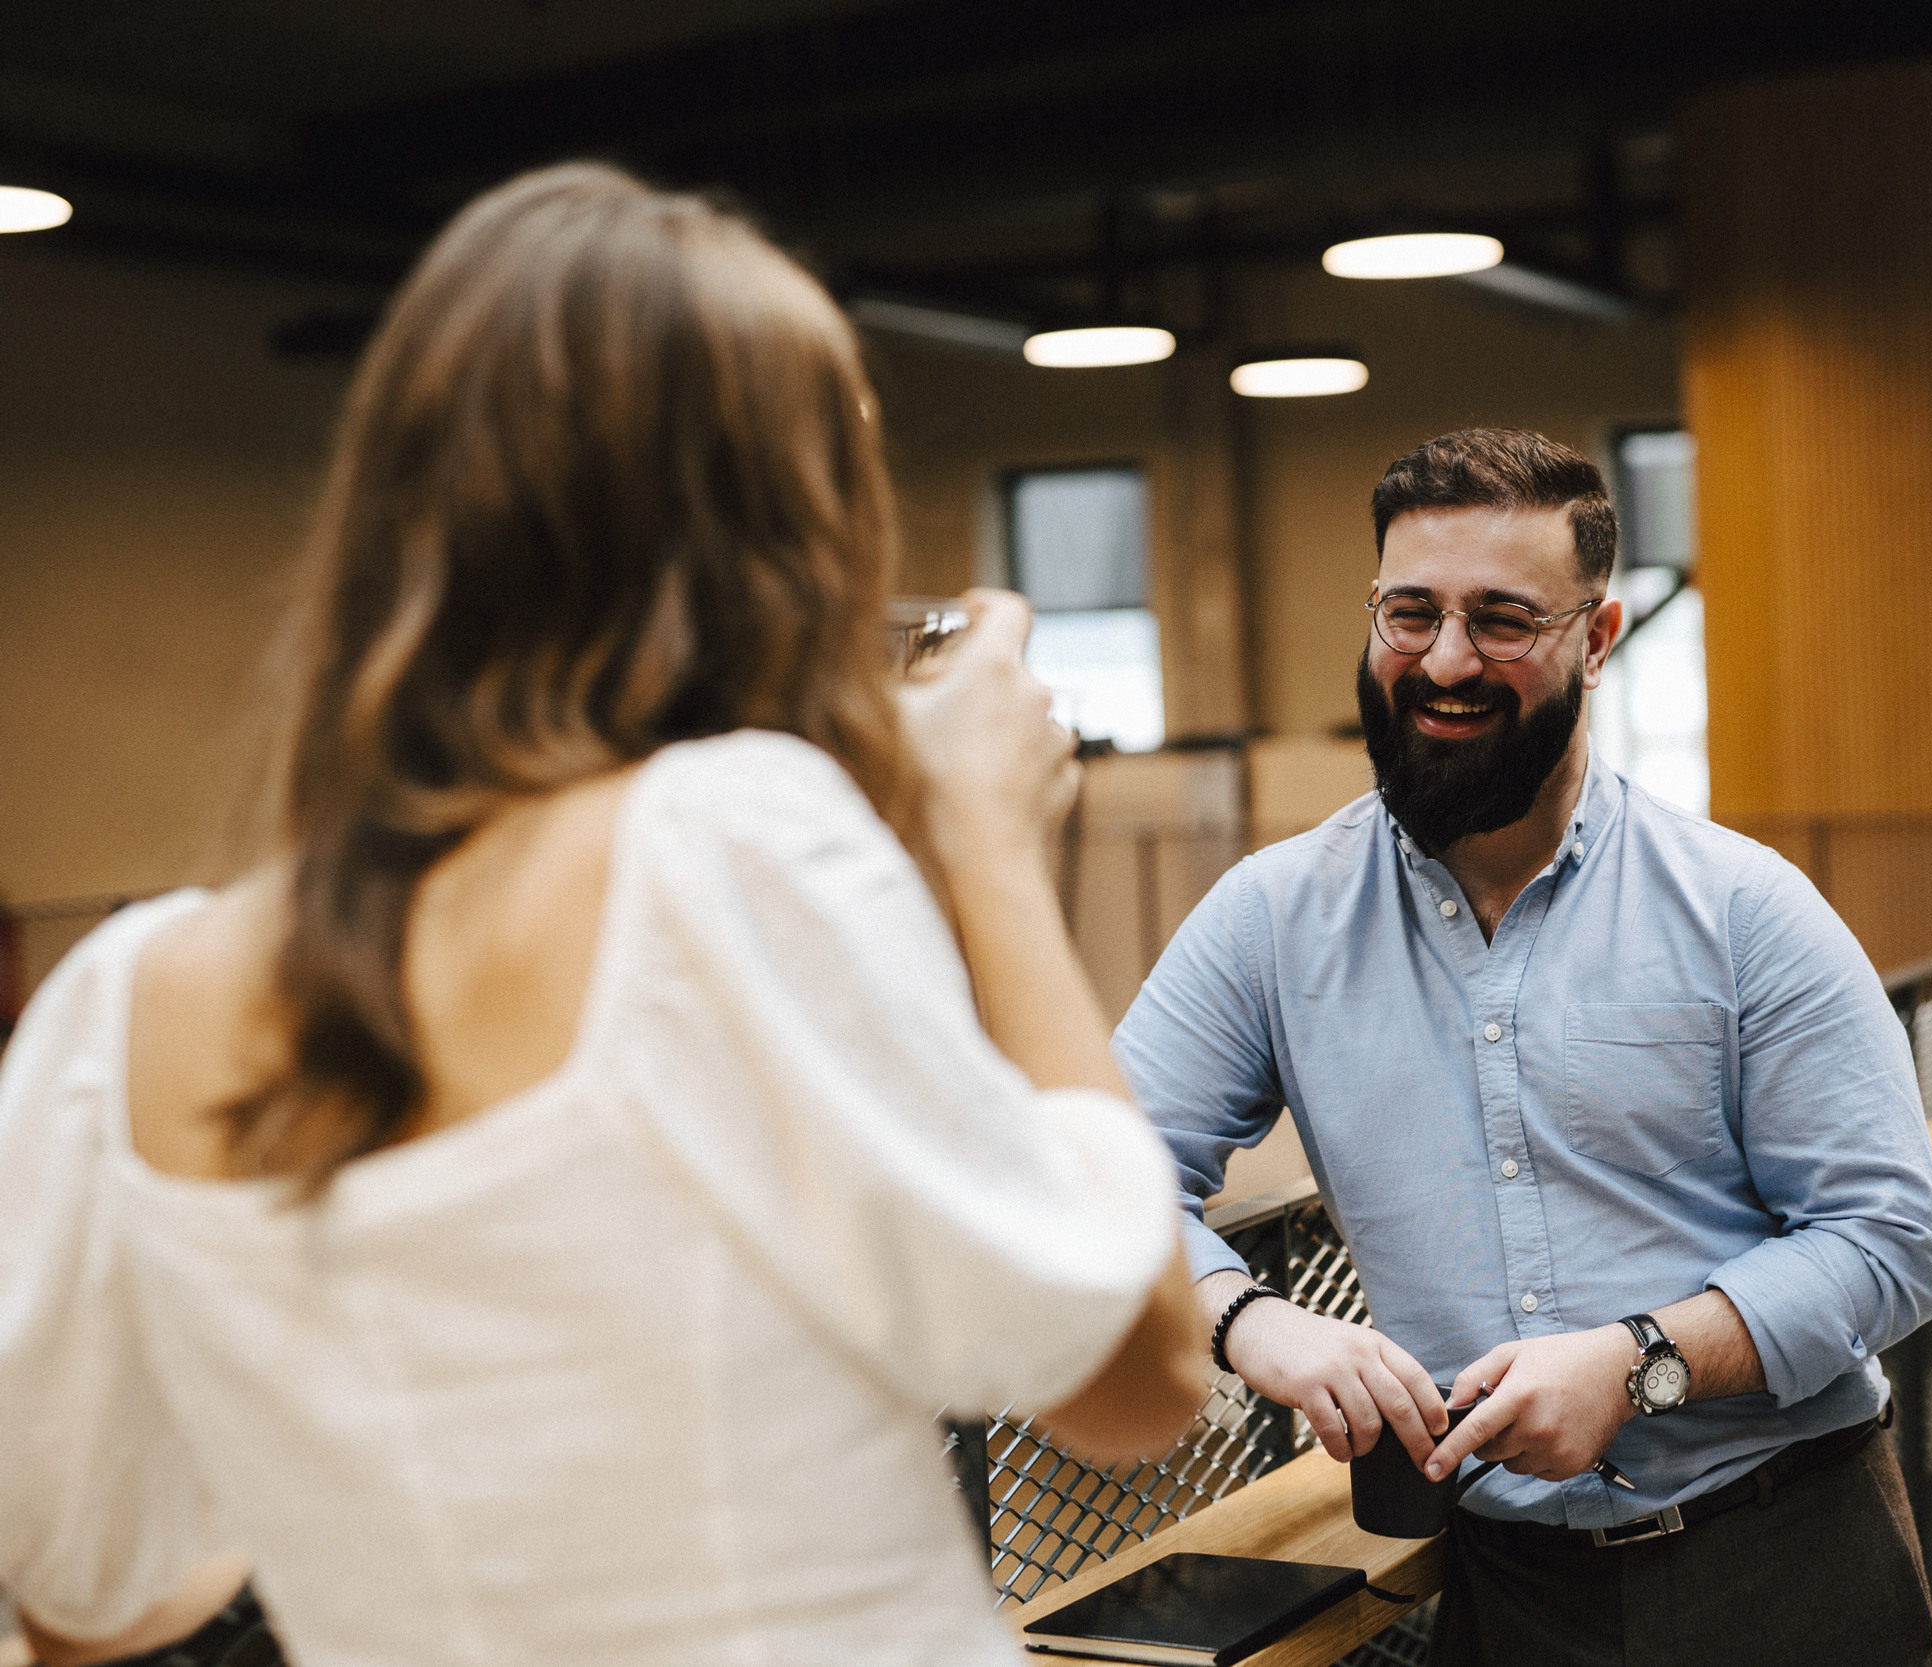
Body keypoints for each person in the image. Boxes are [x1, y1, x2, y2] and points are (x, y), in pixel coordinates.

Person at [0, 162, 1204, 1667]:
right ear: (777, 539)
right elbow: (1137, 1373)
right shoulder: (727, 841)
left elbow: (79, 1595)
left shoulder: (112, 1012)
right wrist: (987, 836)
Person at [1114, 429, 1932, 1665]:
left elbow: (1890, 1242)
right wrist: (1243, 1317)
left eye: (1502, 619)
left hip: (1784, 1559)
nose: (1445, 660)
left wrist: (1639, 1362)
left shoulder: (1743, 908)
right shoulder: (1271, 917)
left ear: (1598, 637)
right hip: (1503, 1586)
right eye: (1410, 613)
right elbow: (1097, 1168)